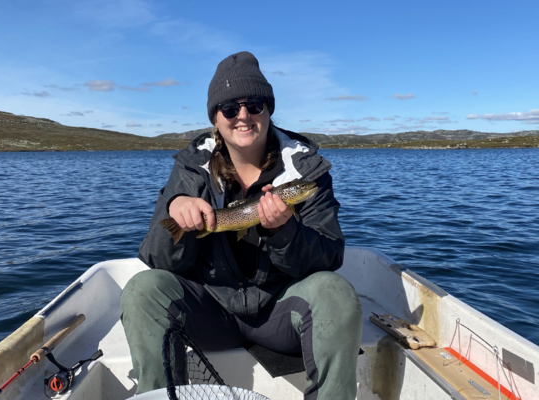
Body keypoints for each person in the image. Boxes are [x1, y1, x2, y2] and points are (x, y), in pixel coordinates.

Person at [121, 51, 362, 400]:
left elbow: (329, 257)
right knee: (143, 288)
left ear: (269, 109)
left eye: (255, 105)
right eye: (230, 109)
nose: (243, 116)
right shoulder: (191, 169)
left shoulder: (306, 173)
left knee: (335, 292)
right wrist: (177, 209)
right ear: (215, 118)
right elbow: (159, 260)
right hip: (210, 314)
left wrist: (285, 232)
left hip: (278, 314)